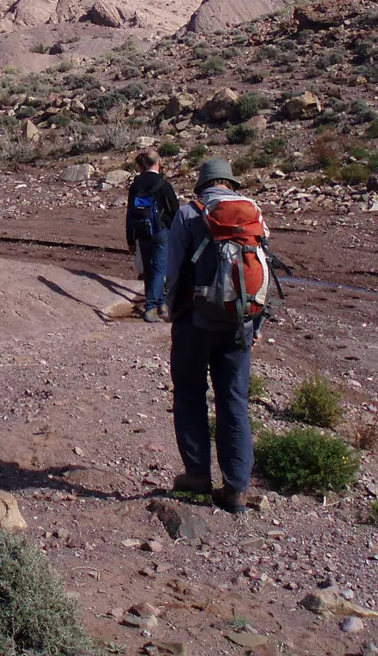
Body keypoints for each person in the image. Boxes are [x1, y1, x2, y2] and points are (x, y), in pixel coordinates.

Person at [162, 158, 266, 514]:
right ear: (230, 183)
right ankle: (236, 490)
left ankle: (197, 477)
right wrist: (255, 326)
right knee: (233, 400)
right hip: (240, 323)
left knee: (190, 393)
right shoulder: (252, 212)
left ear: (201, 184)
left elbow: (174, 271)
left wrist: (172, 311)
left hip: (194, 321)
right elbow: (258, 273)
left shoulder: (189, 213)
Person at [125, 149, 179, 322]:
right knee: (159, 269)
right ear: (158, 163)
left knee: (149, 270)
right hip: (161, 232)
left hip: (141, 231)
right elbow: (175, 211)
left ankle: (162, 304)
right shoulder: (163, 184)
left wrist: (130, 239)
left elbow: (130, 213)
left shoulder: (136, 184)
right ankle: (151, 307)